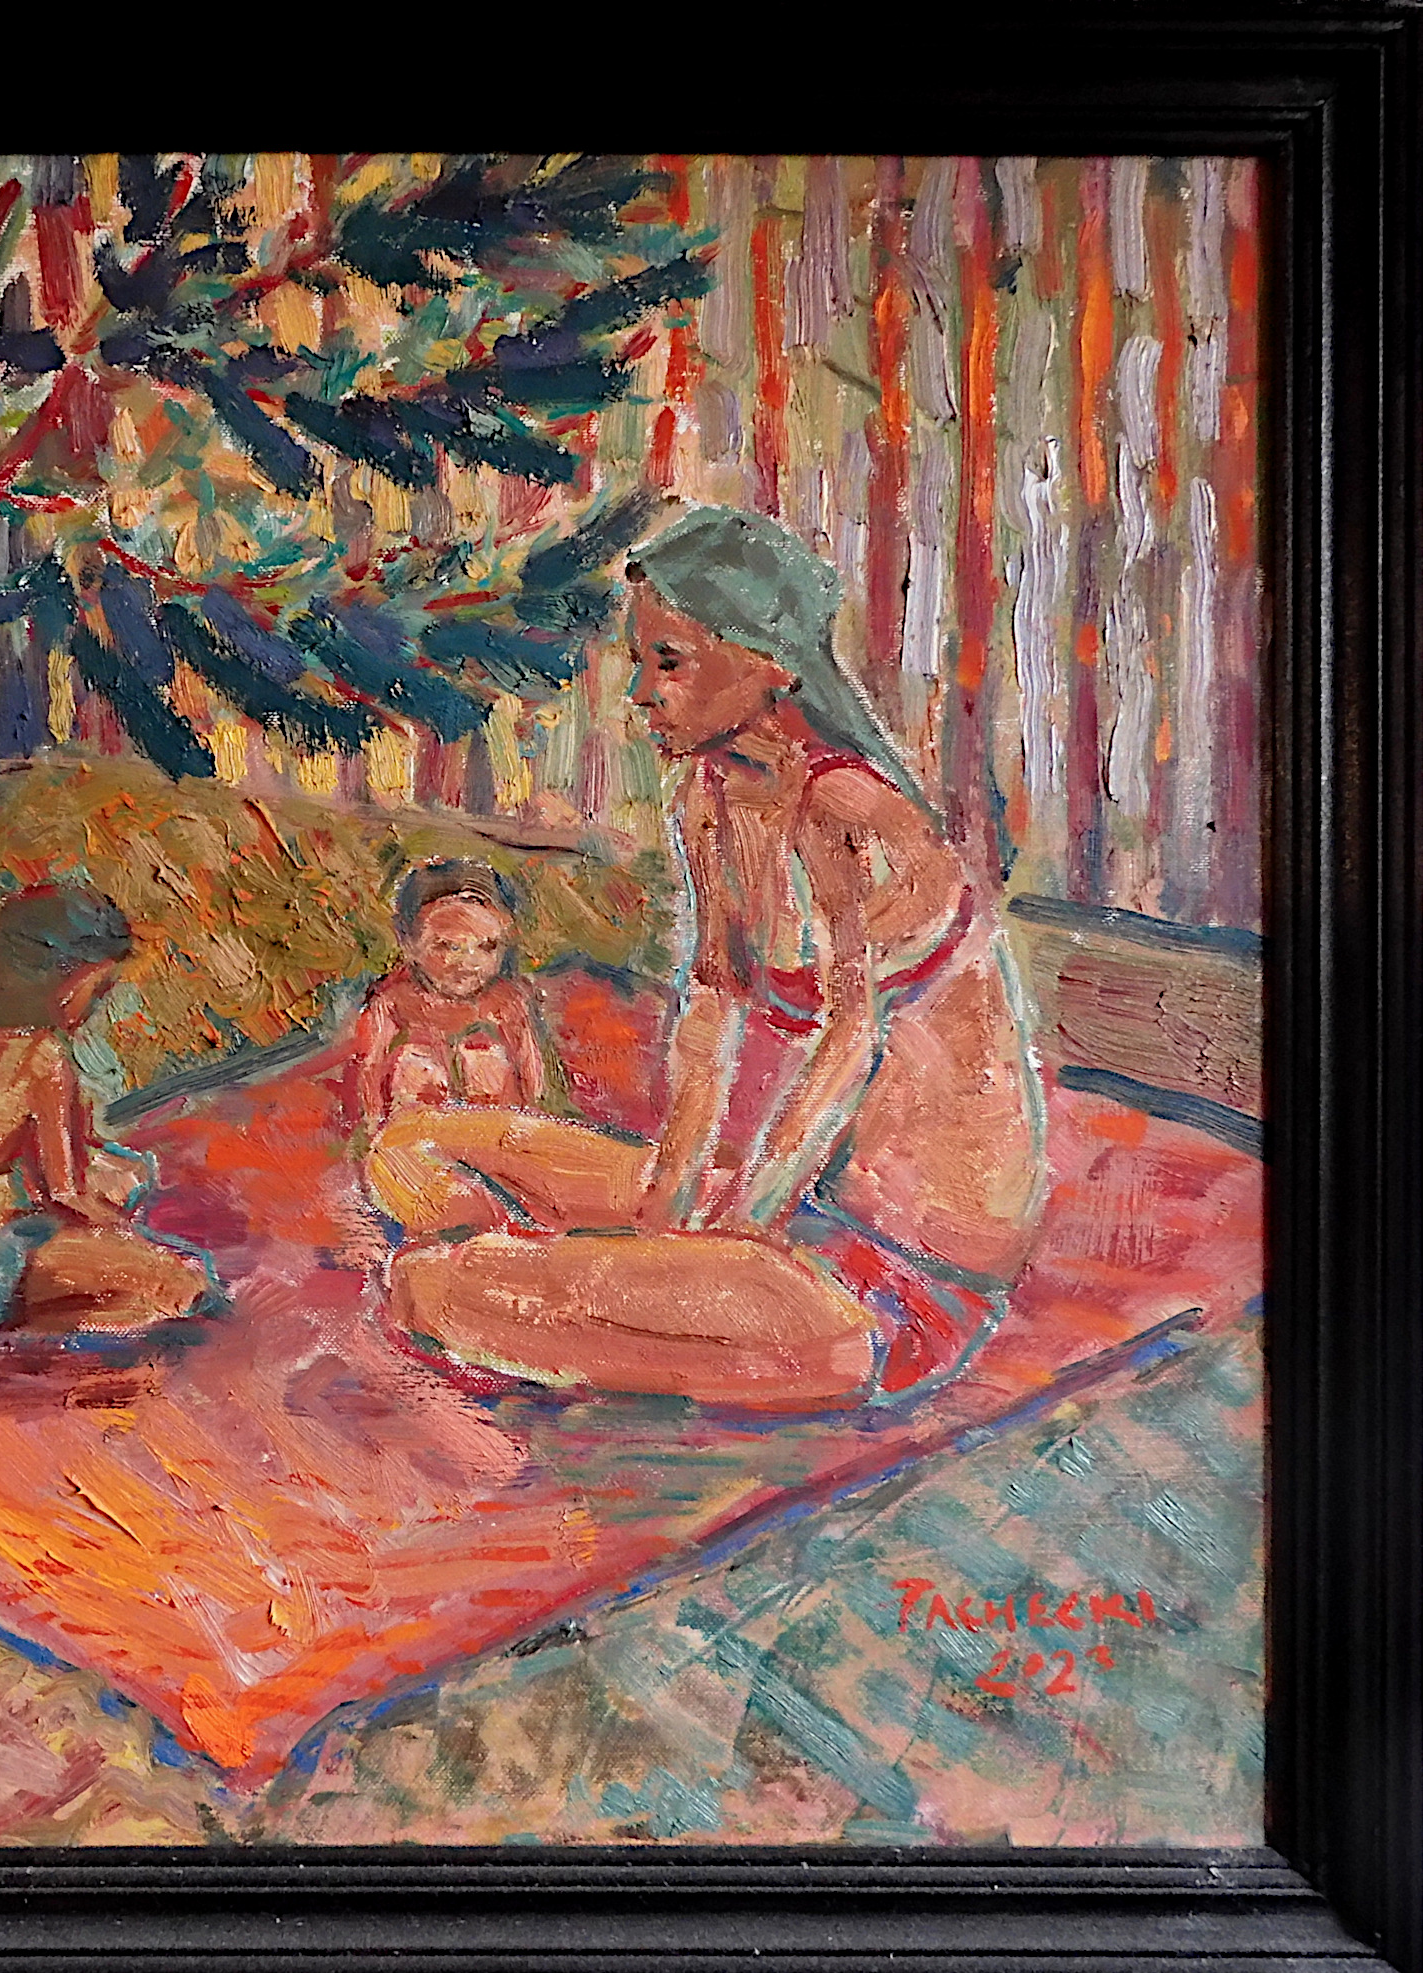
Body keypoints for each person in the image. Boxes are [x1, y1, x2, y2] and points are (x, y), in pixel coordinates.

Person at [386, 507, 1048, 1413]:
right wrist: (668, 1203)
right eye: (639, 662)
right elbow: (710, 1016)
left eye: (670, 662)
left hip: (884, 1273)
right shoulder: (709, 800)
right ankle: (565, 1275)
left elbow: (850, 1047)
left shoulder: (848, 812)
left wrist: (727, 1234)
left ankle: (546, 1277)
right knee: (411, 1145)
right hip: (773, 1199)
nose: (640, 693)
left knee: (434, 1290)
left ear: (770, 662)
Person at [0, 883, 211, 1337]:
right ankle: (86, 1311)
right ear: (59, 978)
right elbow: (65, 1194)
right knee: (182, 1276)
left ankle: (65, 1306)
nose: (96, 1004)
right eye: (97, 988)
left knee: (113, 1183)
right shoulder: (41, 1060)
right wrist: (124, 1239)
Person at [353, 858, 649, 1239]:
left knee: (619, 1179)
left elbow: (538, 1102)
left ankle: (633, 1192)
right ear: (409, 942)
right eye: (446, 946)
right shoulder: (389, 1008)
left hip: (512, 1162)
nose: (468, 963)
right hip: (421, 1172)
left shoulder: (510, 1006)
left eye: (487, 946)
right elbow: (372, 1114)